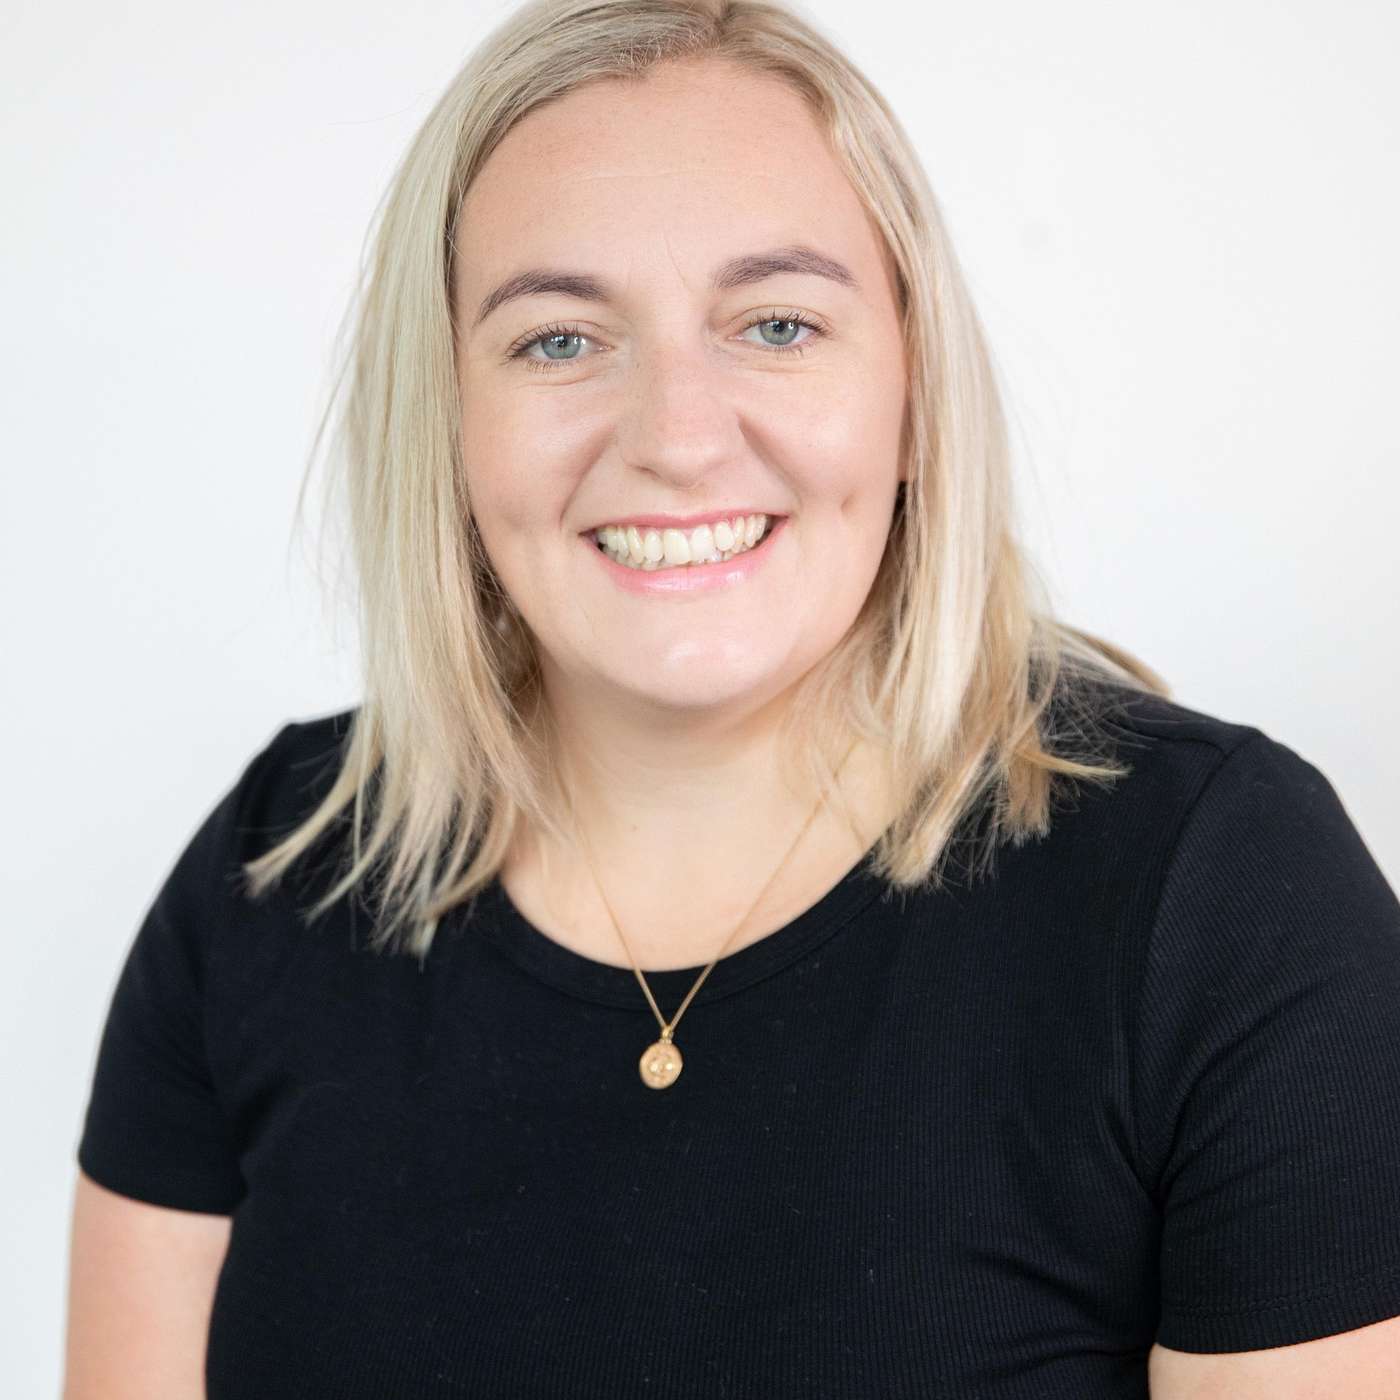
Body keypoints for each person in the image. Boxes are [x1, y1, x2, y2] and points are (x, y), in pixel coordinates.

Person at [64, 1, 1400, 1396]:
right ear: (446, 417)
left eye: (776, 323)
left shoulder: (1224, 898)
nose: (678, 439)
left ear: (914, 389)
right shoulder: (273, 876)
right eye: (559, 340)